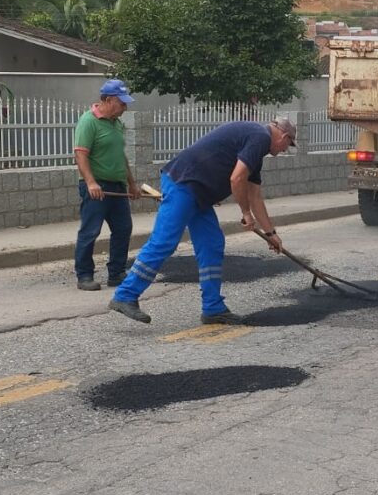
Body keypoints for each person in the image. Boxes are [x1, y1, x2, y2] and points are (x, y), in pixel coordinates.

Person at [109, 118, 296, 325]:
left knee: (212, 244)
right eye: (289, 144)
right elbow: (237, 179)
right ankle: (125, 295)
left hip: (199, 193)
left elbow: (255, 196)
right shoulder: (260, 137)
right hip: (183, 184)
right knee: (163, 242)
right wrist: (246, 214)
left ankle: (213, 308)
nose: (285, 150)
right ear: (284, 136)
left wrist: (271, 234)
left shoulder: (256, 146)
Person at [72, 79, 140, 291]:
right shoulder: (88, 121)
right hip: (97, 187)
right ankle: (84, 275)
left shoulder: (117, 123)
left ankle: (116, 272)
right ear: (108, 100)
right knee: (90, 231)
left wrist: (132, 184)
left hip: (117, 186)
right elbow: (81, 154)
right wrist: (91, 182)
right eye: (122, 103)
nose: (125, 107)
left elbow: (121, 157)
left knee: (123, 229)